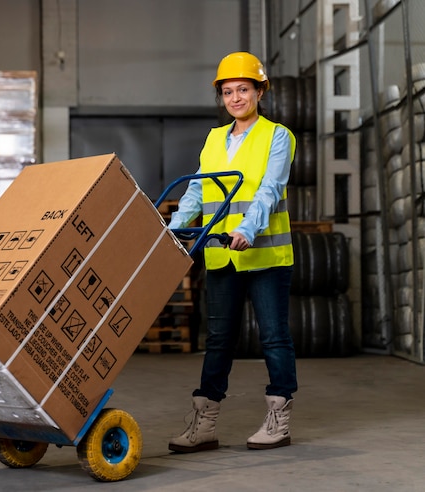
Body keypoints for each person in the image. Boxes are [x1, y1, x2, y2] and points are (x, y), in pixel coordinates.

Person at [167, 52, 298, 453]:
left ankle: (279, 419)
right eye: (228, 91)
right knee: (219, 339)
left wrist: (247, 228)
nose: (236, 97)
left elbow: (269, 190)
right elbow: (197, 190)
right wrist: (172, 231)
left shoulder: (277, 135)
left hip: (263, 255)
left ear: (260, 91)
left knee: (273, 338)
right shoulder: (213, 139)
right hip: (221, 254)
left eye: (244, 89)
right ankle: (204, 423)